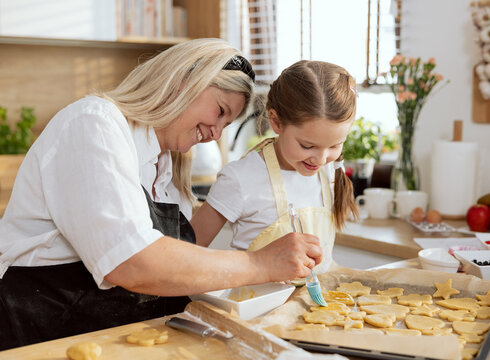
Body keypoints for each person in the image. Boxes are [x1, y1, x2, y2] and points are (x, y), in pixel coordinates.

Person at [0, 39, 322, 350]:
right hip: (39, 342)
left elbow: (172, 276)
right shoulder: (94, 125)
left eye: (227, 123)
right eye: (220, 111)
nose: (216, 134)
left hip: (117, 343)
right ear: (185, 80)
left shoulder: (169, 172)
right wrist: (259, 264)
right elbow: (131, 263)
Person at [191, 60, 359, 275]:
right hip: (257, 306)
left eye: (335, 145)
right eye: (307, 145)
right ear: (276, 122)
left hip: (315, 306)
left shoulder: (327, 172)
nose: (320, 158)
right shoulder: (240, 178)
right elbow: (188, 253)